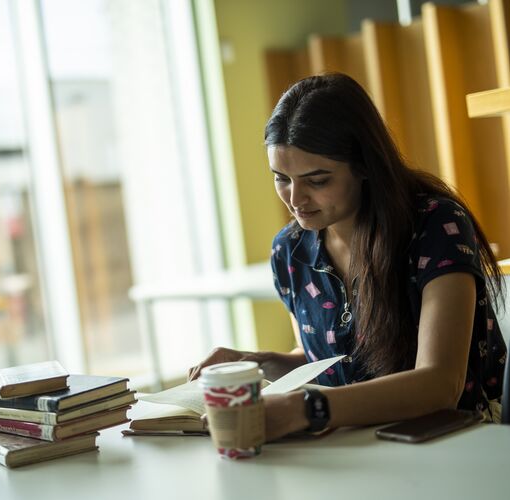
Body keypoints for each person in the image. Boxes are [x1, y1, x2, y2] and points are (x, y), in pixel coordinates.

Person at [188, 72, 507, 441]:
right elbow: (330, 361)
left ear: (364, 167)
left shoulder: (437, 225)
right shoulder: (290, 251)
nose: (295, 199)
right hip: (356, 442)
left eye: (317, 180)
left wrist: (304, 410)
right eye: (281, 178)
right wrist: (257, 363)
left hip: (457, 441)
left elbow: (440, 385)